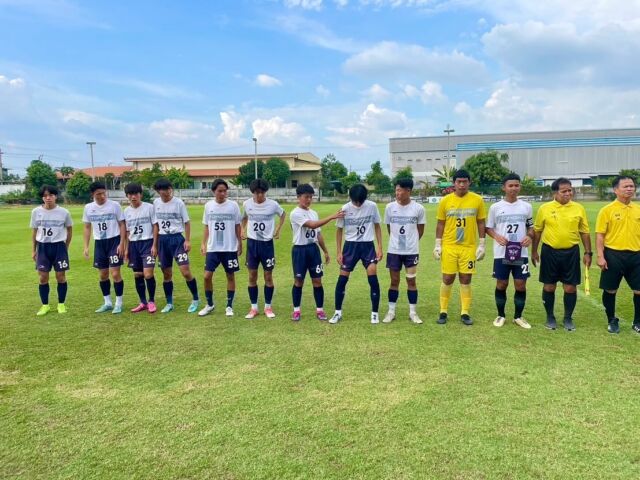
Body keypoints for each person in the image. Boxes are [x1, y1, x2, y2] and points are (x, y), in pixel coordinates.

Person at [532, 177, 591, 331]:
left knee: (570, 288)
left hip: (571, 252)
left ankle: (567, 318)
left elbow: (584, 232)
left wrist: (588, 252)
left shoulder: (578, 208)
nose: (568, 193)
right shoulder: (545, 208)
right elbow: (537, 231)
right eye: (563, 191)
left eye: (570, 190)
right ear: (555, 192)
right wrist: (534, 251)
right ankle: (550, 317)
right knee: (549, 286)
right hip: (549, 252)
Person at [433, 169, 486, 326]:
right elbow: (440, 223)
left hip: (468, 247)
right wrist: (437, 244)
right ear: (454, 183)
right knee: (448, 278)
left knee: (466, 278)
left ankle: (465, 312)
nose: (462, 184)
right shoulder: (445, 201)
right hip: (449, 246)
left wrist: (482, 243)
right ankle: (443, 311)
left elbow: (481, 221)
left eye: (465, 181)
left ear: (469, 182)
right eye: (459, 182)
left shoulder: (477, 200)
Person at [289, 184, 345, 322]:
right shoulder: (295, 213)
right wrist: (332, 216)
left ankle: (319, 310)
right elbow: (313, 225)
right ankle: (296, 310)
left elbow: (317, 233)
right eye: (306, 197)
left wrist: (325, 251)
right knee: (298, 281)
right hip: (300, 250)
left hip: (313, 250)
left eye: (311, 197)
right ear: (298, 197)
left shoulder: (313, 213)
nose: (308, 200)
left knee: (317, 280)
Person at [329, 184, 383, 324]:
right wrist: (339, 251)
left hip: (367, 246)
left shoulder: (372, 206)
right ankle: (337, 313)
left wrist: (380, 247)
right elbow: (339, 230)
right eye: (355, 201)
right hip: (350, 247)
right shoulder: (345, 208)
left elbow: (377, 226)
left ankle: (375, 313)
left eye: (361, 201)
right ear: (350, 198)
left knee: (372, 277)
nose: (358, 204)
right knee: (342, 279)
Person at [486, 173, 534, 329]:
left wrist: (529, 236)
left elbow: (531, 227)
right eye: (510, 185)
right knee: (502, 284)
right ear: (504, 187)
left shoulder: (526, 207)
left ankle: (518, 317)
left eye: (517, 185)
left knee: (520, 285)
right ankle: (500, 315)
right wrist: (496, 236)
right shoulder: (495, 207)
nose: (514, 188)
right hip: (501, 253)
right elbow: (488, 228)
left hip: (521, 253)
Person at [595, 175, 640, 334]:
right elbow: (600, 235)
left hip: (636, 255)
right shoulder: (607, 210)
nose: (629, 189)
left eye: (632, 186)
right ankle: (611, 320)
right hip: (613, 255)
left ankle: (638, 321)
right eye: (625, 186)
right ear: (616, 190)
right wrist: (600, 256)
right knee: (610, 290)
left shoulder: (638, 209)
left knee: (639, 290)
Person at [382, 178, 425, 324]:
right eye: (396, 190)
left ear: (409, 191)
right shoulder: (389, 207)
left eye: (400, 190)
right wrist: (396, 242)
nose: (397, 193)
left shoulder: (418, 208)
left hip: (411, 251)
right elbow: (389, 228)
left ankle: (413, 313)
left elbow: (420, 230)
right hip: (394, 251)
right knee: (394, 281)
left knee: (411, 281)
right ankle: (391, 312)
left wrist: (410, 243)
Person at [153, 178, 200, 314]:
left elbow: (187, 222)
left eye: (168, 189)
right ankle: (169, 303)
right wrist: (155, 245)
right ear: (158, 191)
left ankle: (195, 299)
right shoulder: (156, 203)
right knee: (166, 274)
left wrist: (188, 240)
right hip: (162, 240)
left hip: (177, 240)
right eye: (163, 190)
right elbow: (156, 225)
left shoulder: (178, 203)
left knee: (185, 271)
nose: (167, 192)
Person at [241, 178, 286, 319]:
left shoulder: (273, 205)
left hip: (267, 244)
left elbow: (283, 214)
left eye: (262, 193)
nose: (259, 195)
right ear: (252, 193)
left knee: (268, 276)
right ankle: (253, 308)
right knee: (252, 276)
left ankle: (268, 307)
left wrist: (278, 229)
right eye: (256, 193)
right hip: (252, 244)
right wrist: (243, 229)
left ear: (265, 192)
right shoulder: (247, 204)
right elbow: (244, 217)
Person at [199, 179, 242, 317]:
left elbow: (237, 225)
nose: (223, 193)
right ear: (214, 191)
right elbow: (206, 225)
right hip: (213, 248)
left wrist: (240, 243)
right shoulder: (208, 206)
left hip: (229, 248)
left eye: (225, 191)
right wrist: (203, 243)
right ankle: (210, 304)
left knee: (230, 275)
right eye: (220, 191)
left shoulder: (233, 205)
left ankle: (229, 306)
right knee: (207, 276)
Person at [82, 181, 126, 314]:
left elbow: (122, 224)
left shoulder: (114, 205)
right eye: (98, 194)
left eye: (103, 193)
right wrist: (86, 246)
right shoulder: (88, 208)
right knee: (103, 275)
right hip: (100, 243)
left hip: (114, 241)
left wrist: (122, 243)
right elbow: (87, 227)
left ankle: (119, 303)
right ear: (92, 195)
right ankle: (107, 302)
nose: (101, 196)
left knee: (115, 273)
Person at [30, 184, 73, 316]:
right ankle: (45, 305)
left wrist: (65, 246)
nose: (48, 198)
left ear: (55, 196)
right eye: (45, 196)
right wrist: (34, 250)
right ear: (42, 198)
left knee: (61, 276)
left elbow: (69, 230)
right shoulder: (36, 212)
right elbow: (34, 231)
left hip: (59, 247)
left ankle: (61, 304)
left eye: (51, 195)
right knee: (43, 277)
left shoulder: (64, 212)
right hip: (43, 247)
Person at [123, 183, 158, 314]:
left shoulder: (149, 208)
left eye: (136, 194)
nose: (133, 197)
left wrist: (155, 245)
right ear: (127, 196)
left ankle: (151, 301)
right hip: (133, 245)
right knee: (138, 274)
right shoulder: (126, 211)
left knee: (148, 274)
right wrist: (126, 249)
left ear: (140, 195)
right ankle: (142, 302)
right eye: (130, 194)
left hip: (147, 243)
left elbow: (155, 226)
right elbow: (127, 231)